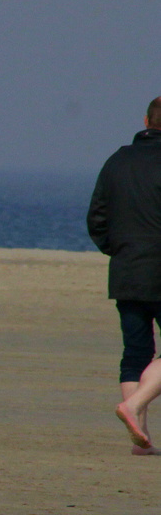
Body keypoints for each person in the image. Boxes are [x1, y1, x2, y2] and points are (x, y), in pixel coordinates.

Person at [88, 96, 161, 454]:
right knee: (138, 351)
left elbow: (97, 218)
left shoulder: (117, 161)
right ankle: (133, 408)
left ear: (146, 120)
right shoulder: (118, 159)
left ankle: (141, 439)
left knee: (135, 351)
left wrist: (117, 249)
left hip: (127, 268)